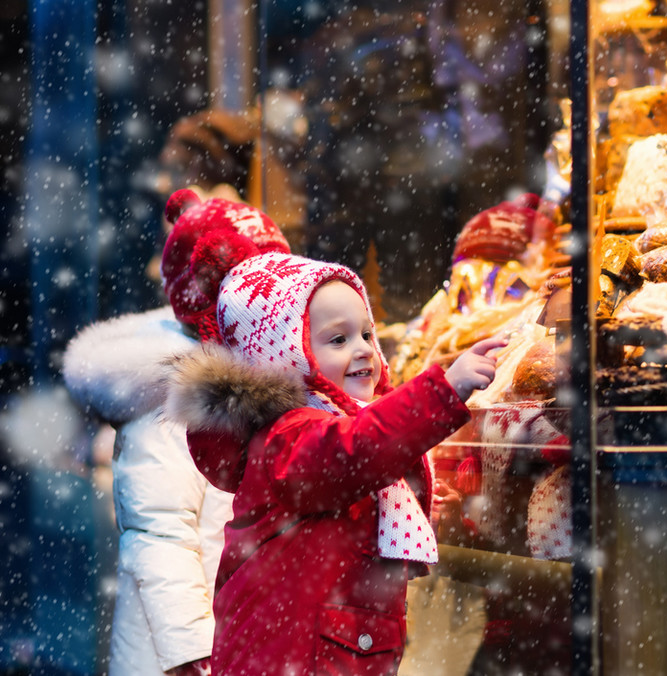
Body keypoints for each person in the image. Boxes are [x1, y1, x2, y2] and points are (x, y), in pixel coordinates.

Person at [158, 187, 504, 674]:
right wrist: (442, 391)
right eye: (337, 339)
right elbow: (355, 451)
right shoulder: (289, 434)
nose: (363, 349)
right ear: (285, 354)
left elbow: (356, 474)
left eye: (366, 333)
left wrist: (402, 497)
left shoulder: (328, 430)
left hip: (333, 648)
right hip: (296, 654)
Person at [61, 195, 293, 676]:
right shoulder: (175, 394)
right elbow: (158, 533)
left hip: (234, 635)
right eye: (264, 281)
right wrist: (193, 652)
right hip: (183, 654)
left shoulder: (247, 379)